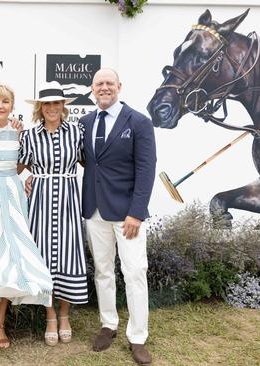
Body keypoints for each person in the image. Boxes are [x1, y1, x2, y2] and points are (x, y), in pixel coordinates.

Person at [0, 83, 53, 350]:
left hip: (12, 197)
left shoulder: (19, 132)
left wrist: (23, 181)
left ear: (12, 106)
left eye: (5, 101)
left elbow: (22, 163)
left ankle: (0, 322)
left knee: (10, 258)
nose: (0, 105)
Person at [78, 68, 156, 365]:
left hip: (127, 215)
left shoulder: (138, 122)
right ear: (93, 89)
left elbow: (146, 170)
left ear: (119, 87)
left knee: (135, 272)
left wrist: (136, 212)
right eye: (99, 84)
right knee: (103, 270)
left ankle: (137, 338)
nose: (104, 88)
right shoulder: (85, 122)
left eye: (110, 83)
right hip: (95, 210)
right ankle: (108, 324)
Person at [18, 81, 88, 347]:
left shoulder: (77, 132)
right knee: (44, 255)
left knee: (69, 254)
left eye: (56, 103)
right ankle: (49, 316)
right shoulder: (29, 136)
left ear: (63, 106)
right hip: (41, 201)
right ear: (40, 107)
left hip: (69, 199)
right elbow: (16, 168)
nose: (52, 108)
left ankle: (64, 316)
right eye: (47, 103)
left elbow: (90, 163)